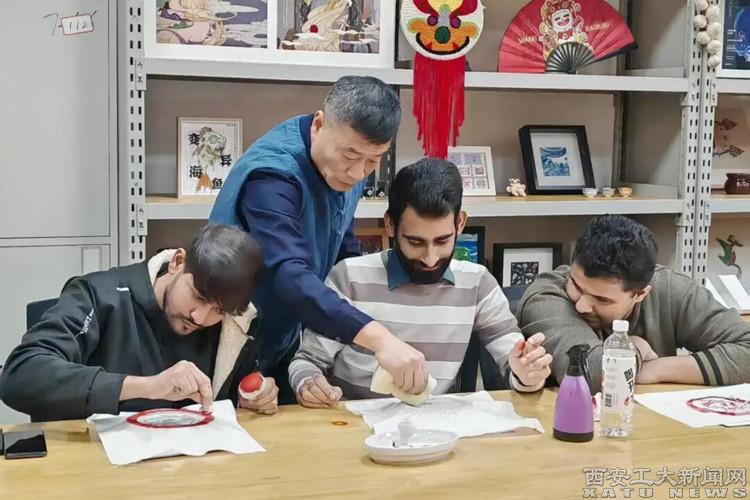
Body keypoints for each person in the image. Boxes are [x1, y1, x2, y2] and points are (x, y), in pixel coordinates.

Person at [210, 76, 431, 402]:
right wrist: (378, 338)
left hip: (284, 334)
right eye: (350, 155)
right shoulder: (271, 178)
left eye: (374, 160)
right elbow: (288, 275)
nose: (358, 173)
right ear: (318, 124)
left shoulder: (347, 166)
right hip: (227, 339)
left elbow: (342, 244)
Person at [288, 159, 553, 407]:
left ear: (460, 223)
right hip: (353, 426)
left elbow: (515, 363)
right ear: (390, 225)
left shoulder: (478, 283)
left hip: (436, 427)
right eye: (415, 242)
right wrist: (308, 383)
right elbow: (307, 362)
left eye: (442, 240)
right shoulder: (349, 278)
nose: (430, 258)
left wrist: (527, 373)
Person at [0, 225, 278, 421]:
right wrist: (147, 386)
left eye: (217, 310)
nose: (200, 318)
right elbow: (21, 375)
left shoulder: (237, 327)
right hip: (95, 467)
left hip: (196, 471)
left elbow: (229, 404)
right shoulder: (100, 295)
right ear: (178, 262)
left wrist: (252, 397)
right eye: (198, 296)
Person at [517, 214, 750, 390]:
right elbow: (593, 374)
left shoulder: (670, 289)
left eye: (602, 299)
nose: (582, 305)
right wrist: (636, 346)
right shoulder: (546, 296)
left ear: (640, 295)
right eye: (576, 286)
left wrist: (657, 370)